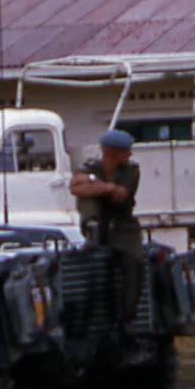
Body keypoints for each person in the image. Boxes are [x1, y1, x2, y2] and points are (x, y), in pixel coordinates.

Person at [70, 128, 146, 322]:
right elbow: (75, 187)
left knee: (134, 261)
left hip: (123, 224)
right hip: (100, 223)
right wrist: (107, 186)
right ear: (112, 151)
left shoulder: (131, 171)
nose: (129, 154)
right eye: (125, 150)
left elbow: (121, 195)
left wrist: (95, 185)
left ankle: (128, 315)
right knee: (88, 200)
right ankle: (92, 227)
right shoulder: (92, 168)